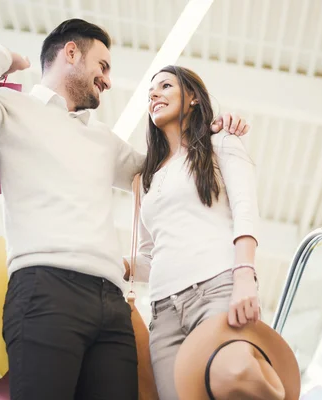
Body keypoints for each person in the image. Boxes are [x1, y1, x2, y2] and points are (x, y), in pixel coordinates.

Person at [0, 19, 249, 400]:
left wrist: (211, 132)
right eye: (103, 66)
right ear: (71, 53)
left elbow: (166, 172)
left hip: (112, 306)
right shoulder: (11, 110)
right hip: (45, 288)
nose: (108, 80)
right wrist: (0, 57)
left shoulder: (102, 139)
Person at [123, 65, 261, 399]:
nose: (154, 94)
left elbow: (246, 208)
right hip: (163, 314)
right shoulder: (146, 180)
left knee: (229, 387)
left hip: (216, 291)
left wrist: (245, 274)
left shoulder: (221, 143)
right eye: (150, 92)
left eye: (165, 86)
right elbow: (148, 257)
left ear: (194, 97)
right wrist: (120, 265)